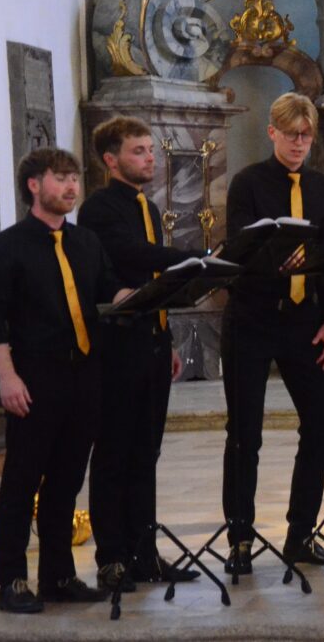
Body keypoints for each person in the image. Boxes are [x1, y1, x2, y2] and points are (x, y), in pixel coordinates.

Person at [0, 148, 131, 613]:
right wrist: (7, 379)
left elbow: (107, 291)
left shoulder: (86, 241)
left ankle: (58, 575)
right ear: (34, 185)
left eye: (74, 178)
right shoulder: (6, 247)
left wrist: (139, 294)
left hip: (85, 375)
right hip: (36, 375)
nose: (71, 187)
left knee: (68, 481)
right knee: (21, 480)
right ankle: (11, 581)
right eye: (60, 178)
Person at [81, 117, 204, 591]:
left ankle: (144, 554)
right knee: (114, 452)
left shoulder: (148, 208)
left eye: (150, 150)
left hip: (150, 345)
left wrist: (166, 339)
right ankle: (112, 557)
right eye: (138, 151)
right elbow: (132, 257)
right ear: (111, 160)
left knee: (146, 454)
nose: (149, 158)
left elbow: (153, 286)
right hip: (118, 350)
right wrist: (194, 260)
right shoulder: (98, 210)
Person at [220, 92, 324, 574]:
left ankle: (300, 534)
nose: (299, 143)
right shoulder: (247, 183)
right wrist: (279, 261)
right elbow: (239, 252)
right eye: (291, 134)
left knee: (322, 424)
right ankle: (240, 539)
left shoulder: (322, 187)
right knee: (244, 432)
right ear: (272, 132)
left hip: (303, 323)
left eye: (306, 135)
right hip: (252, 319)